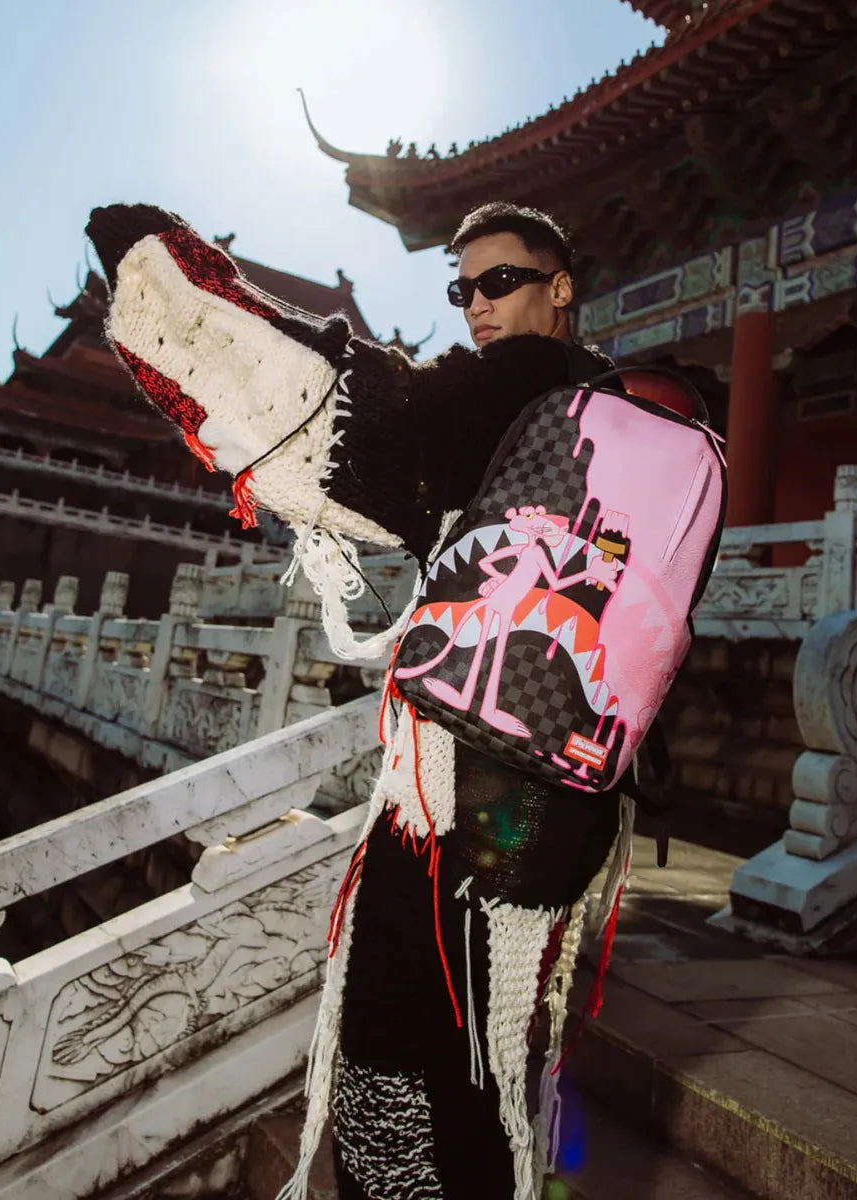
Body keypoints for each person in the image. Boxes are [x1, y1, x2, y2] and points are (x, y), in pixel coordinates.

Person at [86, 200, 629, 1200]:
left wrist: (192, 302)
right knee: (484, 1044)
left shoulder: (528, 384)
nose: (476, 306)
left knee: (406, 1036)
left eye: (499, 281)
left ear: (561, 287)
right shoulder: (611, 408)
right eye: (460, 289)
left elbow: (373, 419)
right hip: (565, 779)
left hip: (477, 787)